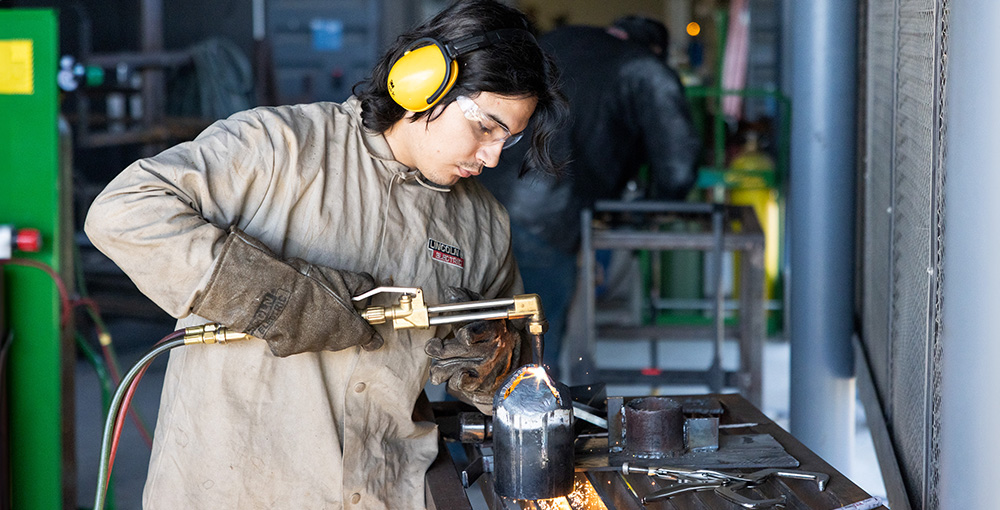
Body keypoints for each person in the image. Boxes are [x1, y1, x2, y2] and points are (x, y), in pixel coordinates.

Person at [84, 1, 565, 508]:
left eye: (509, 139)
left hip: (386, 490)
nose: (492, 156)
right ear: (423, 82)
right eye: (486, 127)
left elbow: (511, 375)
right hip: (236, 487)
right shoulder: (280, 148)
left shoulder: (482, 222)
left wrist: (492, 365)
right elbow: (123, 211)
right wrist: (274, 298)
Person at [478, 16, 701, 381]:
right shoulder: (643, 67)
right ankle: (528, 410)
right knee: (533, 338)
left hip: (479, 195)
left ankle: (463, 414)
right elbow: (678, 165)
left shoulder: (556, 40)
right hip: (546, 216)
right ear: (655, 49)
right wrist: (652, 207)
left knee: (473, 333)